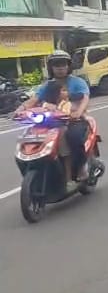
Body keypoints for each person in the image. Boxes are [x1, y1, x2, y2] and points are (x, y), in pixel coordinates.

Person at [16, 50, 91, 192]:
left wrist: (78, 112)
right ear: (51, 68)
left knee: (70, 138)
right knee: (30, 136)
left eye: (63, 64)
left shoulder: (77, 82)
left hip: (74, 120)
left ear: (69, 66)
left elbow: (85, 98)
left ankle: (78, 170)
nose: (60, 68)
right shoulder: (47, 85)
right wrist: (20, 109)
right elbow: (35, 99)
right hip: (52, 120)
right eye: (56, 65)